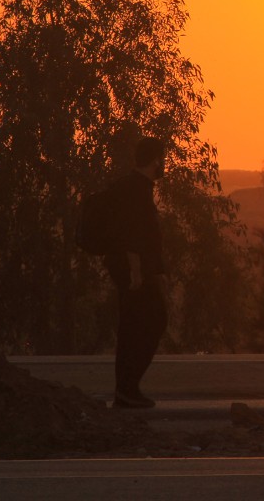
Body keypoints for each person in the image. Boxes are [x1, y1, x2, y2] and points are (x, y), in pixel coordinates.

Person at [105, 136, 168, 409]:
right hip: (135, 273)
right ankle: (128, 389)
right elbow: (130, 235)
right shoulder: (136, 190)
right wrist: (136, 272)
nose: (164, 163)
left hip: (135, 271)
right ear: (155, 159)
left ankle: (127, 390)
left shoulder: (134, 186)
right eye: (162, 158)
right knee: (152, 322)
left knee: (134, 328)